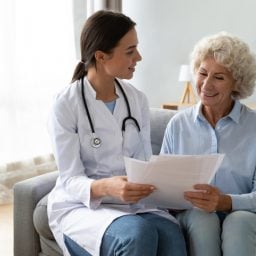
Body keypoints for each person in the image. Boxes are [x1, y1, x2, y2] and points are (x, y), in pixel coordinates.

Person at [47, 10, 187, 256]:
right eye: (130, 51)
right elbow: (70, 180)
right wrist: (107, 187)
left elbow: (144, 163)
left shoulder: (136, 100)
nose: (139, 57)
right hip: (82, 207)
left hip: (134, 204)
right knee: (137, 233)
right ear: (101, 56)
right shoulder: (66, 104)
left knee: (171, 235)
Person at [161, 31, 256, 256]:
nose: (206, 84)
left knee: (238, 222)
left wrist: (224, 202)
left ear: (237, 83)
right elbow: (163, 184)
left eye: (219, 77)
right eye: (203, 73)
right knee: (202, 217)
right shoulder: (178, 125)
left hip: (245, 215)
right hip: (194, 215)